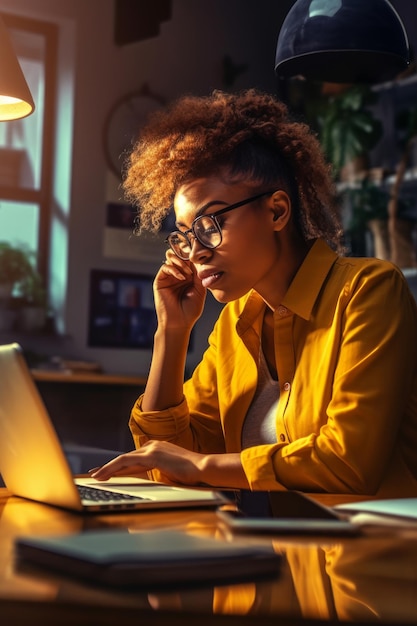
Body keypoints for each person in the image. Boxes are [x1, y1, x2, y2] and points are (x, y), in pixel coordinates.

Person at [91, 88, 417, 497]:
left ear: (277, 211)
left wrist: (201, 466)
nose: (195, 252)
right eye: (185, 235)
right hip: (268, 551)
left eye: (209, 224)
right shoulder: (234, 323)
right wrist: (171, 334)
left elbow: (347, 463)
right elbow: (168, 460)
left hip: (369, 555)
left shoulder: (368, 292)